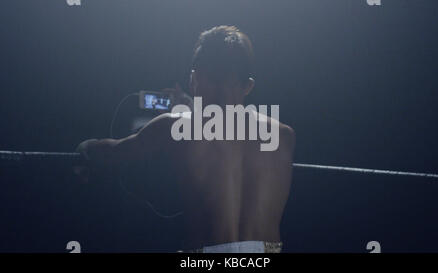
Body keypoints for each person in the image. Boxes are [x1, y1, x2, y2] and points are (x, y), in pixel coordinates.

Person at [75, 25, 295, 253]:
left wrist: (85, 147)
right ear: (249, 86)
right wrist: (189, 106)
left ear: (193, 78)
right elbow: (228, 132)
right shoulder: (284, 135)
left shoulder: (174, 126)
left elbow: (114, 152)